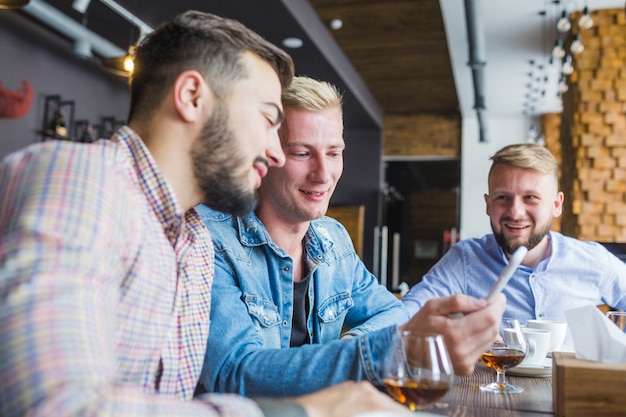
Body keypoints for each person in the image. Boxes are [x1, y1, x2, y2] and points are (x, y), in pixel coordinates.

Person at [0, 11, 409, 417]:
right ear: (192, 97)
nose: (273, 151)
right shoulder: (81, 179)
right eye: (268, 120)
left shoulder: (191, 238)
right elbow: (56, 406)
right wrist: (300, 411)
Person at [195, 76, 506, 398]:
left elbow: (394, 313)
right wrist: (379, 351)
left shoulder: (332, 239)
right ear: (264, 155)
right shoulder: (210, 240)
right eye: (302, 153)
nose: (323, 174)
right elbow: (235, 374)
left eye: (333, 153)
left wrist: (354, 344)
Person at [402, 143, 626, 344]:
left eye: (531, 197)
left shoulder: (593, 260)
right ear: (488, 204)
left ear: (556, 205)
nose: (515, 212)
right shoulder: (465, 260)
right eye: (503, 198)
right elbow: (405, 317)